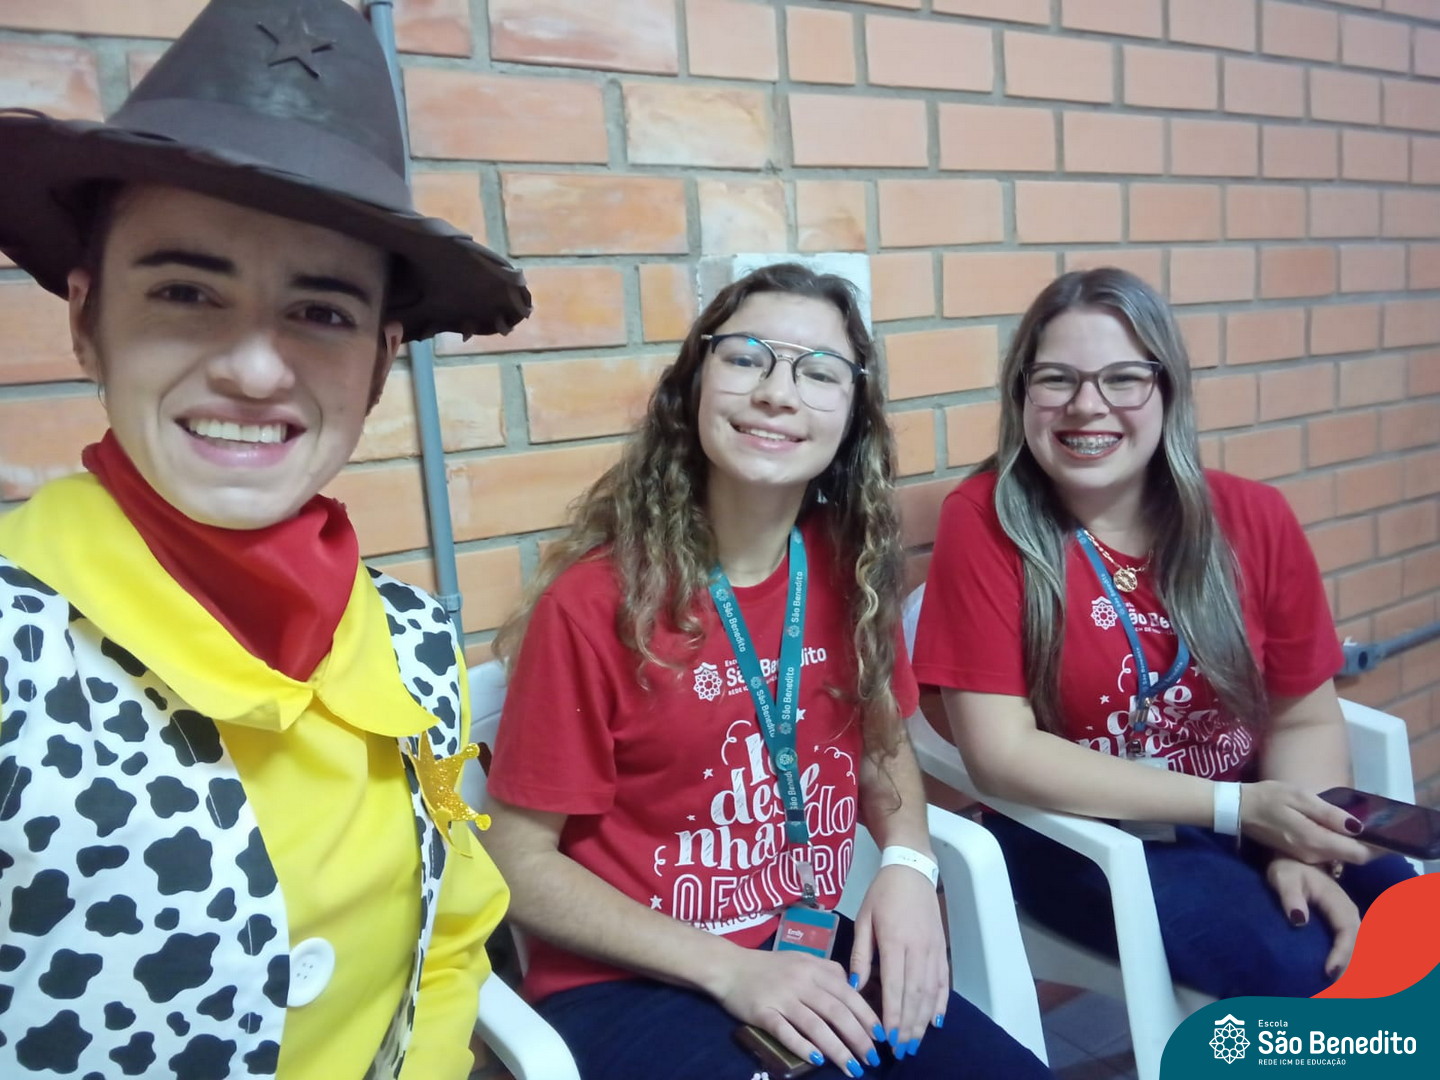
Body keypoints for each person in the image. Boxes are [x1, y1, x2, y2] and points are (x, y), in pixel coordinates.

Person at [0, 1, 531, 1077]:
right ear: (87, 317)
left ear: (381, 362)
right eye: (186, 291)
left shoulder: (412, 641)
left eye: (321, 312)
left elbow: (453, 931)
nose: (254, 368)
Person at [483, 262, 1052, 1079]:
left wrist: (907, 863)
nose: (778, 393)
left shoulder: (851, 572)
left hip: (804, 947)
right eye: (747, 358)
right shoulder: (594, 602)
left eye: (819, 373)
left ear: (852, 417)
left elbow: (884, 745)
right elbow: (518, 862)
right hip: (629, 979)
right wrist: (729, 969)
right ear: (694, 385)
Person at [912, 267, 1416, 1000]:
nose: (1088, 406)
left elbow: (1303, 715)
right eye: (1056, 379)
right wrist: (1241, 811)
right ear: (1021, 395)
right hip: (1085, 831)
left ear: (1167, 389)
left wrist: (1296, 844)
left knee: (1411, 921)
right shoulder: (986, 520)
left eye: (1123, 378)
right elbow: (1001, 754)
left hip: (1251, 804)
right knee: (1304, 971)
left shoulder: (1253, 517)